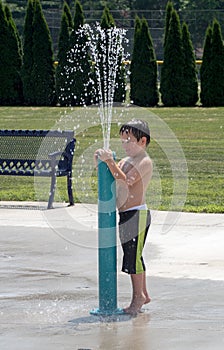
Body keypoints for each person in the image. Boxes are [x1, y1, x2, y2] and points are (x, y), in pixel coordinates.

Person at [94, 119, 153, 314]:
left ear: (142, 141)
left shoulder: (144, 161)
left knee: (132, 258)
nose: (125, 145)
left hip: (137, 214)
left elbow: (126, 180)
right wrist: (101, 163)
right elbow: (114, 174)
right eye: (123, 141)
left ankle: (138, 298)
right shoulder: (126, 160)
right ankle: (144, 293)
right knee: (134, 256)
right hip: (126, 215)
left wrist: (110, 160)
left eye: (129, 140)